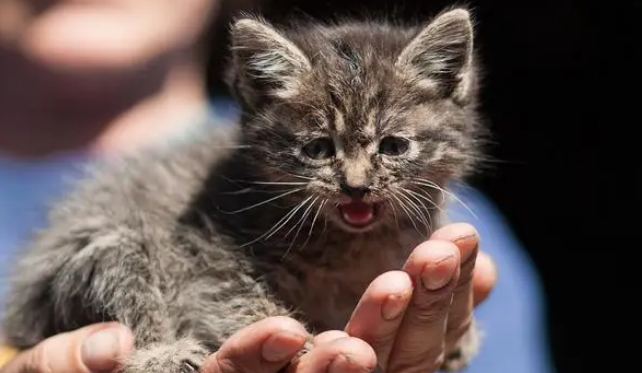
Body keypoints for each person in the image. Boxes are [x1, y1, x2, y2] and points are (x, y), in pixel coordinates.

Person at [0, 1, 545, 373]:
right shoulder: (243, 193)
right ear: (258, 91)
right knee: (111, 251)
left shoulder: (464, 241)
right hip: (122, 281)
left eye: (394, 147)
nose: (355, 180)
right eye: (317, 148)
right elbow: (214, 276)